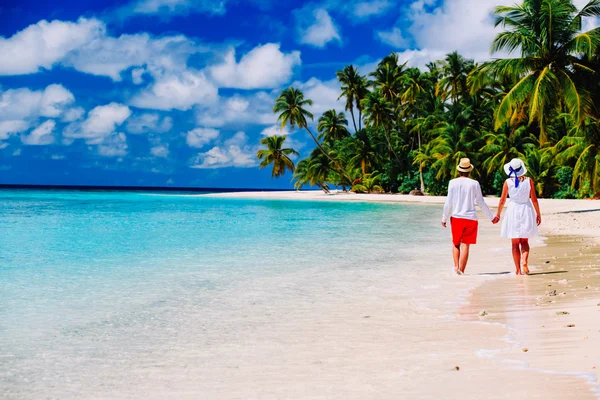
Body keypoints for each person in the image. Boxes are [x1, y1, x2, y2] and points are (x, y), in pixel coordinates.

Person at [442, 158, 499, 275]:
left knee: (456, 244)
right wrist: (491, 217)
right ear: (469, 171)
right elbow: (480, 202)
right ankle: (461, 271)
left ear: (459, 170)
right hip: (471, 219)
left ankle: (456, 267)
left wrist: (444, 218)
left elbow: (449, 202)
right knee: (466, 245)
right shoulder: (474, 183)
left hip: (457, 217)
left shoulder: (452, 183)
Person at [495, 158, 542, 275]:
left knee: (515, 243)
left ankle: (518, 270)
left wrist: (498, 214)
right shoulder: (529, 180)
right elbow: (534, 199)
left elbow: (502, 200)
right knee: (525, 241)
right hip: (526, 209)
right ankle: (525, 261)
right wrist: (538, 213)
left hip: (513, 210)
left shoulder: (507, 182)